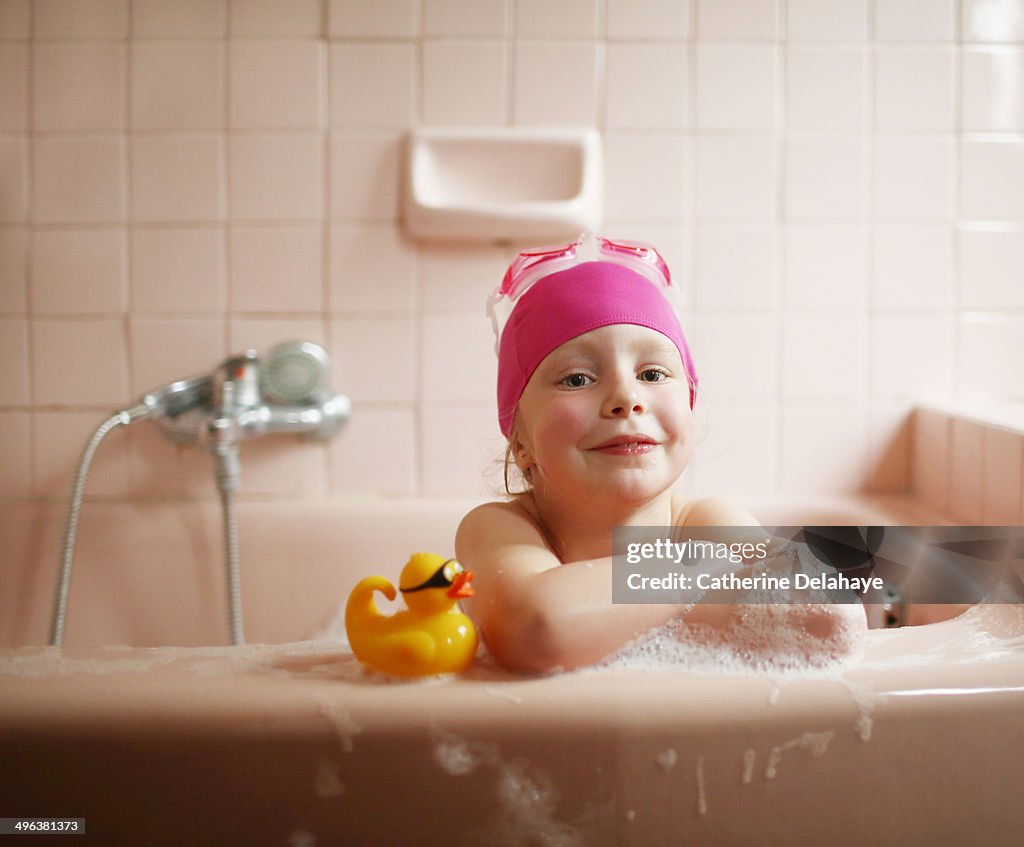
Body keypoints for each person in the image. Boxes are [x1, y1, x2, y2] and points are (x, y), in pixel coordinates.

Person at [455, 233, 866, 673]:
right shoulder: (500, 527)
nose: (626, 398)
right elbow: (536, 628)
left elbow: (830, 615)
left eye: (652, 373)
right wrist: (705, 568)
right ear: (520, 443)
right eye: (576, 379)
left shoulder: (704, 520)